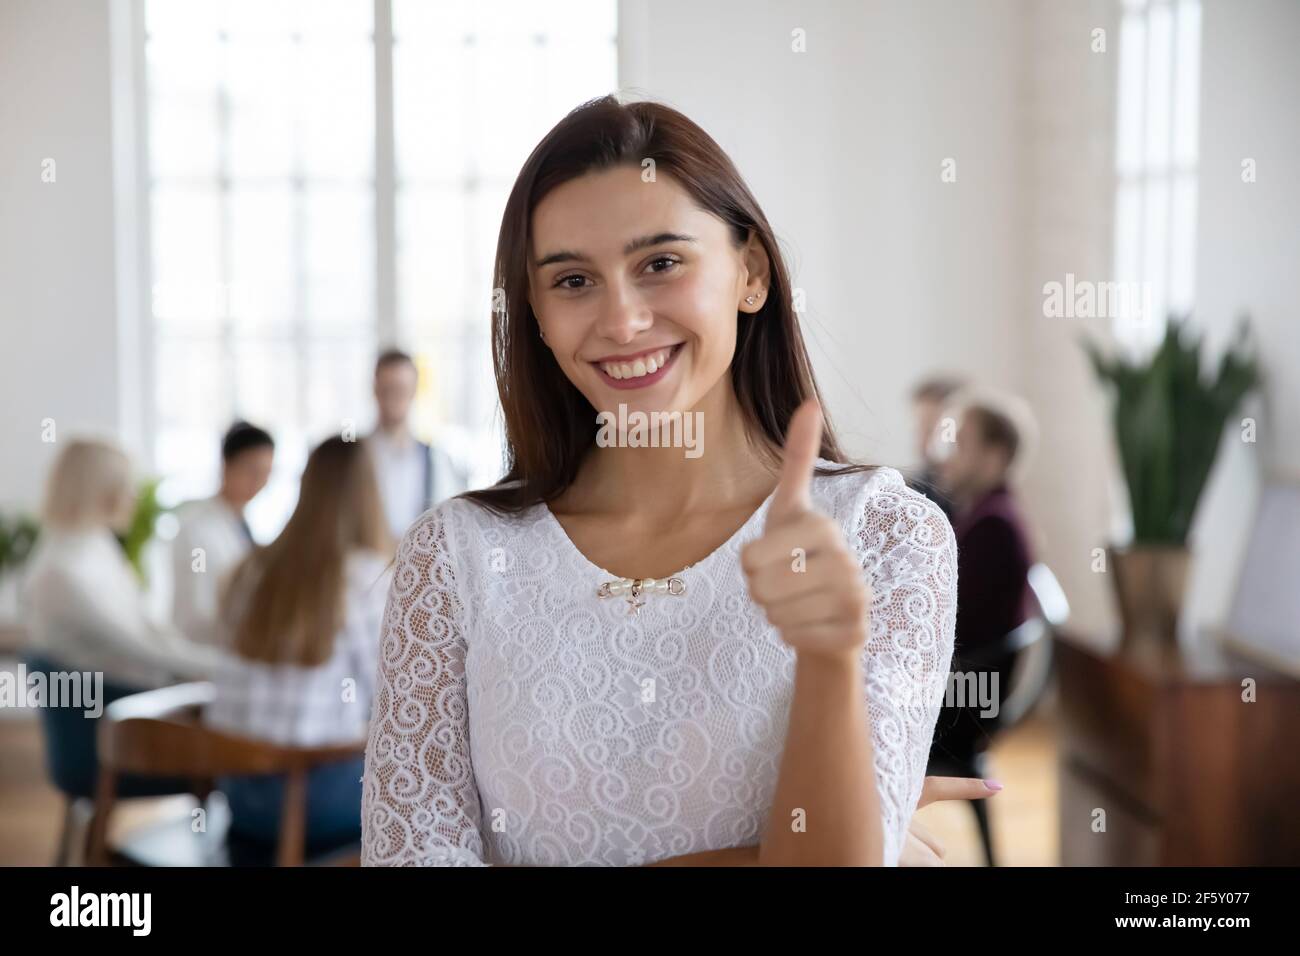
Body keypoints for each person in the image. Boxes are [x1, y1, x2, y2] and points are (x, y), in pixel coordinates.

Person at [361, 97, 960, 867]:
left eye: (661, 264)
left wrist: (829, 658)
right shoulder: (455, 558)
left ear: (751, 272)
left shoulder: (885, 536)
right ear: (537, 316)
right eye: (573, 281)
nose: (621, 320)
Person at [205, 436, 392, 849]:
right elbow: (394, 698)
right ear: (369, 492)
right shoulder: (363, 576)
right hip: (313, 801)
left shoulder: (251, 567)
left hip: (240, 799)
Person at [23, 439, 220, 689]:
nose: (135, 496)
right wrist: (221, 667)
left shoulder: (97, 543)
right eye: (128, 486)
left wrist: (210, 662)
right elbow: (138, 648)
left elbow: (148, 628)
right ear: (101, 490)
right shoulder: (61, 571)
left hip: (133, 688)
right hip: (115, 705)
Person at [928, 390, 1036, 766]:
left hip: (966, 702)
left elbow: (950, 629)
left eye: (959, 444)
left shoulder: (994, 526)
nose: (946, 457)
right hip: (964, 689)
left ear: (995, 456)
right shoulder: (985, 514)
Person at [170, 421, 274, 646]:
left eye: (266, 472)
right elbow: (198, 610)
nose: (259, 482)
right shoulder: (196, 528)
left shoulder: (241, 524)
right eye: (251, 470)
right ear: (226, 465)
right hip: (202, 653)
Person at [365, 349, 466, 542]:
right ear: (375, 390)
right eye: (388, 389)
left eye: (402, 389)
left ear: (413, 392)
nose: (394, 398)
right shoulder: (357, 457)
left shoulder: (434, 459)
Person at [909, 375, 965, 522]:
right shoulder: (915, 488)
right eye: (921, 427)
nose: (923, 439)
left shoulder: (975, 500)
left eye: (933, 428)